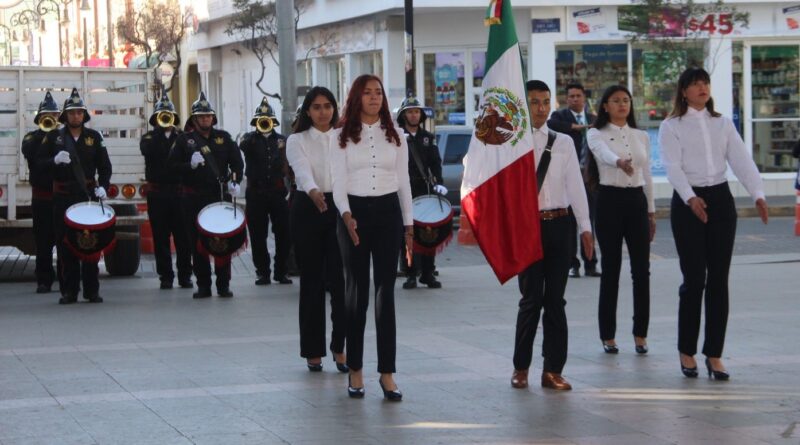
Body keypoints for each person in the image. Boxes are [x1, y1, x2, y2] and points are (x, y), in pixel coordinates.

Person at [659, 67, 768, 380]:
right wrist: (691, 198)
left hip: (720, 199)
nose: (701, 88)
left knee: (719, 280)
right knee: (694, 280)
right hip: (688, 201)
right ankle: (687, 350)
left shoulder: (722, 123)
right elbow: (672, 167)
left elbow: (741, 159)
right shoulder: (671, 125)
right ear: (683, 91)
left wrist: (758, 193)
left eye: (705, 82)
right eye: (694, 84)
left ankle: (714, 354)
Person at [330, 74, 413, 401]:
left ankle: (387, 374)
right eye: (368, 93)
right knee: (356, 294)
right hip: (354, 214)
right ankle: (355, 370)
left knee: (385, 294)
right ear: (356, 97)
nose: (375, 97)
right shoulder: (340, 136)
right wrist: (347, 215)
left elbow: (404, 181)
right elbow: (338, 183)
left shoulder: (397, 136)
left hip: (389, 212)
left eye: (379, 92)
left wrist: (409, 225)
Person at [511, 80, 593, 392]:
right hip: (528, 227)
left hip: (560, 225)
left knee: (556, 301)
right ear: (523, 105)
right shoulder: (511, 142)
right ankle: (521, 367)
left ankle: (553, 369)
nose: (541, 108)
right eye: (534, 102)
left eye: (546, 101)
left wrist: (585, 227)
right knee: (531, 300)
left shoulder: (563, 142)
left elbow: (576, 185)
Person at [586, 85, 655, 355]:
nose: (622, 105)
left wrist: (650, 210)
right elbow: (602, 154)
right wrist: (619, 162)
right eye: (615, 101)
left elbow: (646, 173)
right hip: (609, 201)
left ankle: (640, 334)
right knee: (611, 270)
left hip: (636, 201)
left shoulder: (640, 135)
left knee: (641, 271)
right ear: (605, 106)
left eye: (626, 100)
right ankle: (608, 335)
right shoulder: (595, 133)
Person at [286, 86, 348, 373]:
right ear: (308, 111)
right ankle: (313, 350)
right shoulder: (296, 140)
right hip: (308, 209)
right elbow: (301, 170)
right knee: (311, 280)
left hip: (340, 207)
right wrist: (312, 191)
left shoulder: (345, 137)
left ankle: (340, 346)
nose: (323, 112)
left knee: (340, 281)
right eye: (317, 107)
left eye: (327, 106)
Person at [39, 88, 111, 304]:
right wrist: (54, 161)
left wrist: (104, 187)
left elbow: (105, 167)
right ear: (65, 115)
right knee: (66, 244)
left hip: (87, 196)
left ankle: (92, 290)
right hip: (63, 197)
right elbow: (38, 165)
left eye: (79, 112)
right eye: (72, 113)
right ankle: (69, 291)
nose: (76, 116)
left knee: (91, 242)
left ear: (84, 115)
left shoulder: (94, 137)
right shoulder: (54, 137)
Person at [168, 92, 244, 299]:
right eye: (201, 116)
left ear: (213, 118)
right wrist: (189, 165)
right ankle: (203, 284)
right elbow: (172, 167)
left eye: (208, 116)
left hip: (218, 196)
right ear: (194, 119)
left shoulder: (224, 138)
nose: (205, 119)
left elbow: (237, 163)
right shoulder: (184, 141)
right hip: (193, 198)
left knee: (223, 240)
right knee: (197, 242)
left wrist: (235, 182)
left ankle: (223, 284)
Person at [140, 92, 193, 290]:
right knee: (160, 236)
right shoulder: (149, 138)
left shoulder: (183, 138)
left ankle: (185, 275)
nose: (165, 120)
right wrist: (159, 131)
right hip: (158, 194)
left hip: (179, 193)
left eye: (168, 115)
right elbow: (147, 150)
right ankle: (166, 276)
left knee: (183, 236)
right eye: (162, 116)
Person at [548, 82, 600, 278]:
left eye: (578, 96)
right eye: (571, 96)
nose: (575, 99)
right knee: (570, 225)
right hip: (568, 178)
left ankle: (591, 264)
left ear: (584, 98)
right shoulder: (560, 117)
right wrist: (575, 126)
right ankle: (573, 265)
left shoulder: (594, 119)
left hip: (589, 180)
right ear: (566, 99)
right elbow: (551, 126)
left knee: (588, 222)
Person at [240, 98, 292, 286]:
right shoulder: (249, 139)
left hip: (277, 192)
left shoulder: (282, 140)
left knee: (283, 233)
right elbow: (243, 146)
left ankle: (281, 271)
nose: (264, 122)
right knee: (257, 234)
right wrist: (256, 132)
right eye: (261, 120)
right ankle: (263, 272)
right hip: (256, 193)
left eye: (267, 119)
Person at [397, 96, 446, 290]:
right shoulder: (397, 137)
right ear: (403, 115)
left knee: (429, 233)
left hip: (425, 190)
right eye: (409, 111)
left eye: (416, 111)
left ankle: (427, 273)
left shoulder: (428, 138)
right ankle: (410, 274)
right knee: (409, 233)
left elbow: (435, 163)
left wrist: (439, 183)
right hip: (404, 190)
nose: (413, 115)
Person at [21, 91, 61, 294]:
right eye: (47, 116)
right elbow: (32, 156)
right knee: (43, 242)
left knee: (64, 240)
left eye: (54, 115)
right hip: (42, 198)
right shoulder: (31, 138)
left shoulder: (64, 137)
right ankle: (44, 280)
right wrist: (47, 136)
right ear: (39, 119)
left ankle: (66, 279)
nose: (51, 119)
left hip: (61, 197)